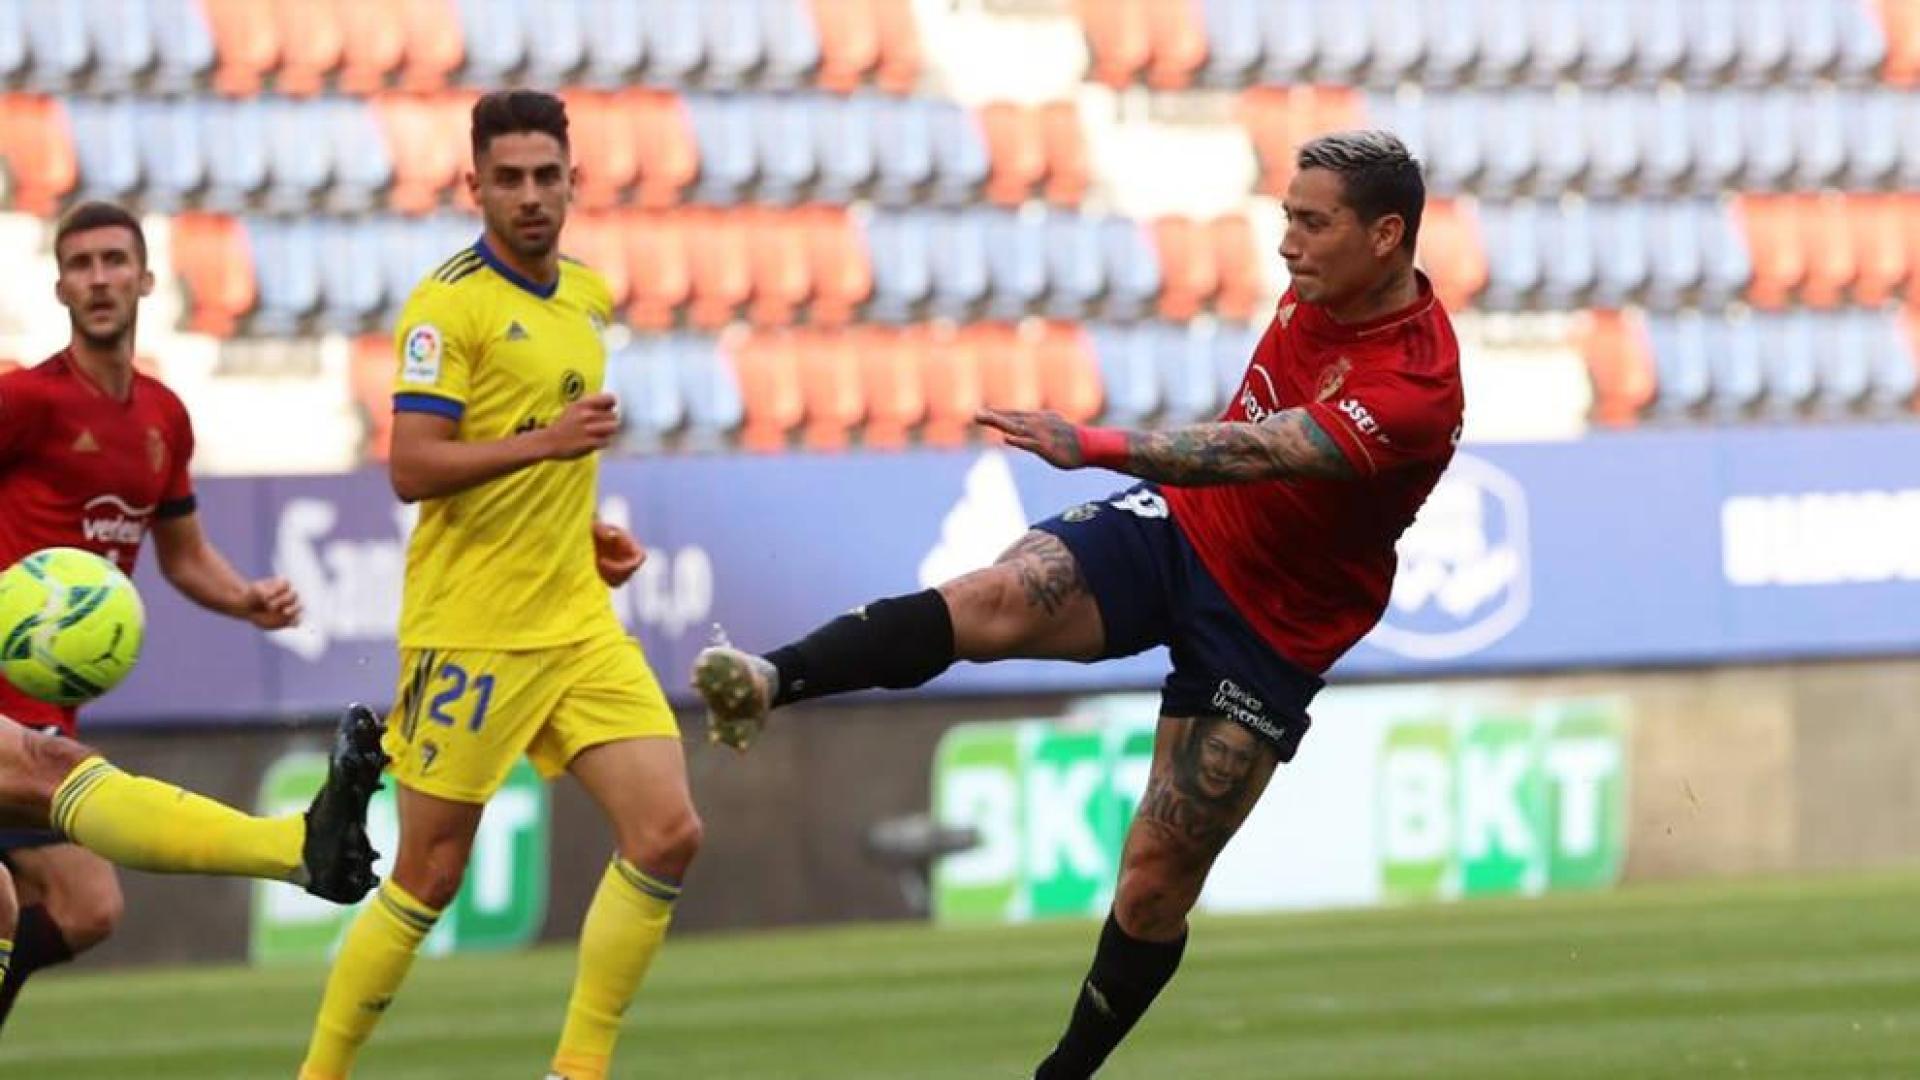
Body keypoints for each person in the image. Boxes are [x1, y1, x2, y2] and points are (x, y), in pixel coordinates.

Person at [693, 131, 1462, 1079]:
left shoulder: (1417, 386)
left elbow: (1255, 451)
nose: (1287, 245)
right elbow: (1228, 474)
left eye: (1311, 223)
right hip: (1185, 529)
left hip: (1273, 628)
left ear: (1387, 236)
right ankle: (772, 677)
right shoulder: (1324, 287)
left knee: (1153, 885)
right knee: (998, 597)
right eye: (1285, 219)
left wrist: (1087, 442)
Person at [298, 90, 701, 1080]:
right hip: (472, 631)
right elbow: (412, 466)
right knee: (431, 873)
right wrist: (549, 444)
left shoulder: (588, 300)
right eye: (509, 179)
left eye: (546, 177)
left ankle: (579, 1069)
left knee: (669, 833)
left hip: (574, 620)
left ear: (576, 182)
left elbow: (542, 465)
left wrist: (586, 524)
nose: (530, 196)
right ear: (473, 186)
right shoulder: (447, 308)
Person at [0, 200, 323, 1025]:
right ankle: (287, 847)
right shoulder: (28, 402)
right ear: (61, 286)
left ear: (145, 278)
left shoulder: (163, 417)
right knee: (64, 897)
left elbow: (182, 553)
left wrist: (244, 597)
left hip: (53, 698)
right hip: (8, 698)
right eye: (81, 265)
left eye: (114, 261)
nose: (100, 279)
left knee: (81, 909)